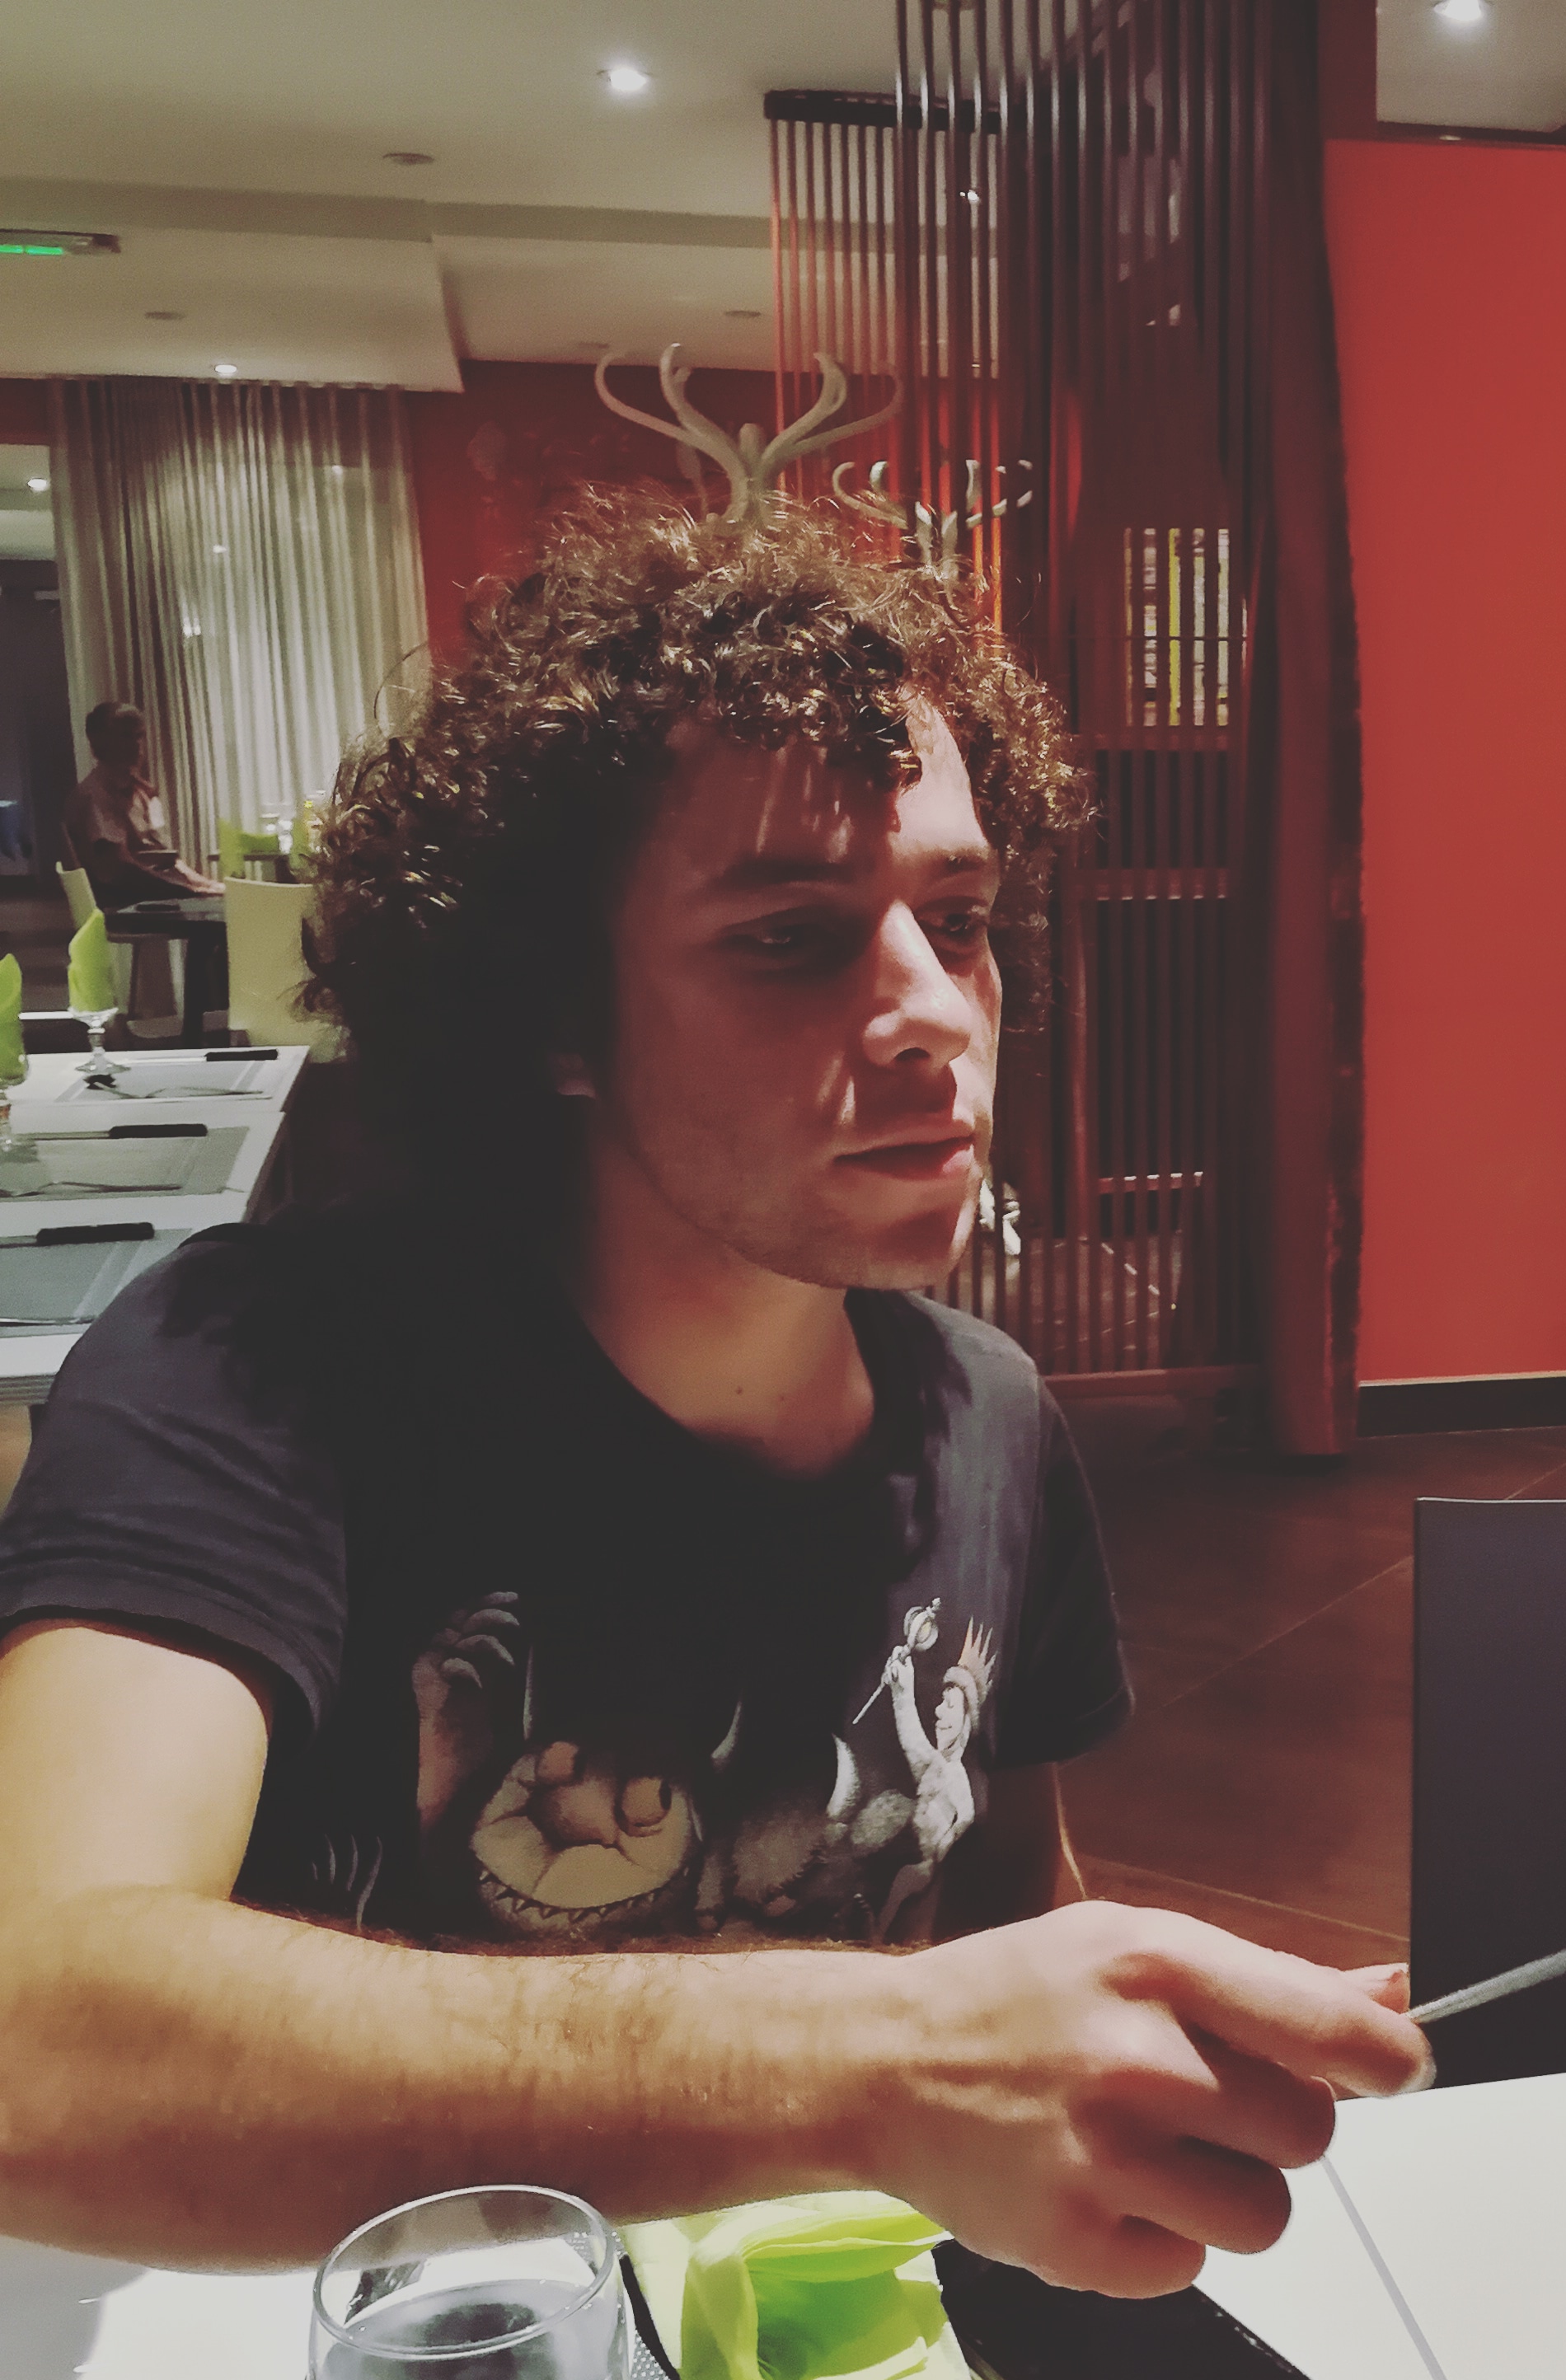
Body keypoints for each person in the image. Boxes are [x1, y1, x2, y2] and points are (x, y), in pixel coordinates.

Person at [0, 499, 1427, 2283]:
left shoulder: (991, 1421)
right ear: (555, 1015)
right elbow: (35, 2039)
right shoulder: (254, 1373)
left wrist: (1144, 2053)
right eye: (789, 937)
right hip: (407, 2367)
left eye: (962, 921)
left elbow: (997, 1929)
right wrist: (871, 2063)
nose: (934, 1014)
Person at [58, 701, 225, 1032]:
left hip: (150, 896)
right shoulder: (95, 796)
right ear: (98, 741)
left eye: (139, 736)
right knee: (217, 923)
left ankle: (209, 1019)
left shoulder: (141, 791)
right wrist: (193, 891)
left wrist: (207, 885)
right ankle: (203, 1025)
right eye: (125, 736)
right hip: (123, 904)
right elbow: (122, 870)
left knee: (224, 910)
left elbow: (169, 858)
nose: (136, 745)